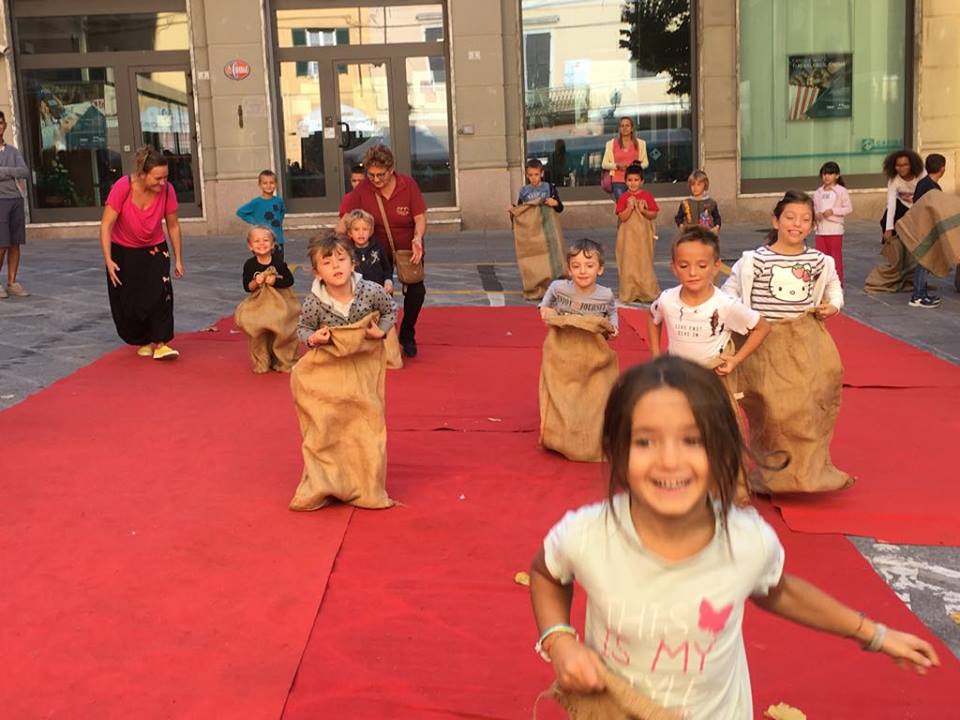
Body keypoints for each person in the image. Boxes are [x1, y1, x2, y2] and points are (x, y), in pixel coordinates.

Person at [529, 356, 940, 719]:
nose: (669, 460)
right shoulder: (589, 535)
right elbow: (546, 574)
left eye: (693, 440)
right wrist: (559, 639)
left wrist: (874, 634)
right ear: (615, 451)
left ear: (723, 450)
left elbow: (778, 591)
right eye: (645, 441)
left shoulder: (747, 541)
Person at [336, 145, 426, 358]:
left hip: (407, 247)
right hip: (375, 250)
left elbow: (420, 217)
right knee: (378, 293)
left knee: (416, 291)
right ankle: (384, 335)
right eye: (371, 175)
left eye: (381, 175)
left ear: (391, 169)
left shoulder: (407, 185)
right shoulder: (363, 189)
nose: (376, 179)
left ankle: (407, 333)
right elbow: (345, 220)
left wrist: (417, 238)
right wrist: (332, 244)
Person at [100, 146, 184, 360]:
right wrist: (108, 259)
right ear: (142, 174)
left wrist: (178, 259)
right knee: (130, 299)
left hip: (155, 248)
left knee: (161, 293)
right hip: (124, 250)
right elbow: (106, 225)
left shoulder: (167, 190)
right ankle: (143, 340)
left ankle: (161, 343)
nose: (162, 183)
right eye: (157, 178)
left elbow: (173, 225)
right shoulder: (123, 187)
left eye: (165, 177)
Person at [648, 226, 769, 374]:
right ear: (674, 268)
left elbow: (762, 327)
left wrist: (736, 360)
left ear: (716, 266)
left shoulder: (725, 304)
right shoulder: (666, 299)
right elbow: (653, 316)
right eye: (684, 266)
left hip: (712, 377)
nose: (692, 272)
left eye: (702, 266)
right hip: (677, 375)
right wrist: (656, 355)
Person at [723, 190, 842, 321]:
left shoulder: (818, 260)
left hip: (804, 331)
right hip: (766, 332)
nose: (797, 224)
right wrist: (743, 315)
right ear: (776, 221)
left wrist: (834, 305)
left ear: (812, 226)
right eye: (790, 217)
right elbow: (729, 289)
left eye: (805, 219)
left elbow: (833, 284)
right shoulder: (756, 259)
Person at [297, 232, 396, 348]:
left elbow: (390, 309)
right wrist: (313, 338)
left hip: (368, 356)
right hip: (333, 358)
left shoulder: (371, 291)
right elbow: (304, 328)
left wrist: (382, 330)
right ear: (317, 273)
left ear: (352, 264)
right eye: (327, 263)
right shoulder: (314, 303)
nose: (335, 265)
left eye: (341, 259)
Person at [539, 238, 617, 333]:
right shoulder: (560, 287)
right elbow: (552, 288)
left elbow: (612, 312)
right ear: (569, 270)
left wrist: (614, 326)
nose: (582, 271)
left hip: (592, 338)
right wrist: (544, 306)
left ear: (600, 269)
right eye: (576, 266)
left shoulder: (606, 295)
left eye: (589, 266)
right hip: (563, 336)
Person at [908, 153, 947, 308]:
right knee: (924, 263)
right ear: (942, 169)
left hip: (921, 227)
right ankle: (918, 296)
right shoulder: (933, 188)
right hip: (927, 229)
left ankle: (921, 293)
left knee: (924, 262)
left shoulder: (922, 183)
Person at [0, 111, 30, 299]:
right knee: (1, 244)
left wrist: (4, 171)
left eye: (0, 123)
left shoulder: (12, 151)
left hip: (16, 200)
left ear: (4, 125)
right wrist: (13, 172)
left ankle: (12, 282)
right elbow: (17, 171)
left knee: (15, 243)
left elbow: (25, 171)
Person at [813, 161, 853, 286]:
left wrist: (833, 211)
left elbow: (848, 208)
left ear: (837, 175)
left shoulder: (841, 191)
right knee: (821, 259)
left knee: (835, 259)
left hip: (835, 230)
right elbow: (814, 208)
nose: (827, 177)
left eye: (830, 174)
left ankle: (837, 285)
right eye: (824, 174)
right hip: (821, 230)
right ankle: (822, 285)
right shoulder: (818, 192)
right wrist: (817, 214)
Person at [237, 170, 286, 261]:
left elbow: (282, 211)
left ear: (276, 184)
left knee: (279, 263)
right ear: (260, 185)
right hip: (263, 241)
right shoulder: (256, 202)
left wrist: (279, 221)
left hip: (278, 240)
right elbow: (240, 212)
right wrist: (254, 222)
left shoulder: (279, 201)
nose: (268, 186)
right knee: (263, 262)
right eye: (265, 183)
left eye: (271, 183)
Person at [344, 208, 394, 294]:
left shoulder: (378, 248)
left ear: (371, 231)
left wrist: (388, 281)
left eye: (365, 229)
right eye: (356, 229)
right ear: (350, 232)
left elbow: (387, 269)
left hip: (378, 292)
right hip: (355, 294)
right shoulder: (347, 251)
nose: (361, 233)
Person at [602, 116, 650, 202]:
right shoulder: (611, 144)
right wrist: (617, 166)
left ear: (632, 128)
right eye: (622, 126)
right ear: (619, 129)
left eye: (627, 125)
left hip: (634, 180)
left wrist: (634, 167)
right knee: (622, 204)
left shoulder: (640, 143)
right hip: (618, 180)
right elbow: (604, 164)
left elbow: (645, 163)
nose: (624, 128)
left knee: (634, 205)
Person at [881, 149, 924, 243]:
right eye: (898, 165)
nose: (901, 168)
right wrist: (889, 229)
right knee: (884, 221)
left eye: (905, 165)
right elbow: (891, 204)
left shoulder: (921, 176)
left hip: (919, 206)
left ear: (912, 165)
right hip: (902, 205)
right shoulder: (893, 180)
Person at [242, 226, 294, 293]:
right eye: (257, 241)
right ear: (250, 246)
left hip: (277, 297)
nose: (261, 243)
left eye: (266, 240)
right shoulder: (249, 264)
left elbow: (290, 280)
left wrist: (275, 281)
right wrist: (255, 282)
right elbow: (247, 287)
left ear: (272, 244)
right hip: (259, 298)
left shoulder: (278, 263)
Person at [674, 169, 721, 234]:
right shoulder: (685, 203)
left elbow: (717, 218)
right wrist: (681, 226)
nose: (695, 187)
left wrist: (716, 227)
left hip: (706, 234)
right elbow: (678, 217)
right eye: (693, 185)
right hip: (690, 233)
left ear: (705, 185)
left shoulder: (711, 202)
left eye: (698, 184)